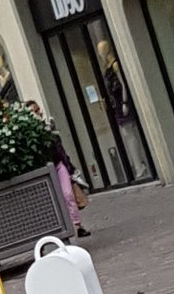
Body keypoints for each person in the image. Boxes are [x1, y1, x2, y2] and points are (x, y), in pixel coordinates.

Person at [25, 101, 91, 238]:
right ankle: (60, 230)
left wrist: (71, 169)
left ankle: (77, 225)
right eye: (34, 111)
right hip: (45, 169)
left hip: (58, 165)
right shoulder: (30, 134)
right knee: (52, 201)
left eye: (38, 110)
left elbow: (60, 151)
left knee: (68, 194)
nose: (39, 113)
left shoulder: (49, 128)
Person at [95, 40, 150, 179]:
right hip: (116, 103)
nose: (100, 53)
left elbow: (123, 84)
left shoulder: (115, 65)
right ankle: (138, 164)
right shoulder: (106, 67)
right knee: (127, 134)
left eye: (101, 50)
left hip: (121, 101)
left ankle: (140, 166)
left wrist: (125, 102)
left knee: (130, 133)